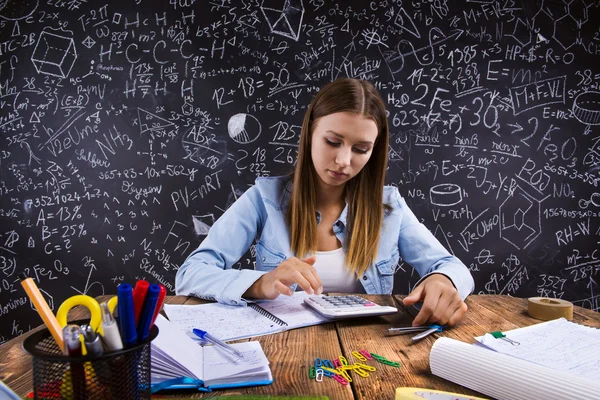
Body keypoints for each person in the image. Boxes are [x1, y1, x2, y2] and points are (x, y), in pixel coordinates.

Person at [176, 78, 474, 326]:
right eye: (332, 142)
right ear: (310, 135)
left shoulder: (389, 206)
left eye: (361, 148)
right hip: (283, 346)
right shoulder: (264, 199)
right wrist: (261, 283)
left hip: (369, 348)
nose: (344, 161)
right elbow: (191, 273)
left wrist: (443, 280)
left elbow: (451, 266)